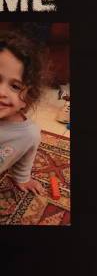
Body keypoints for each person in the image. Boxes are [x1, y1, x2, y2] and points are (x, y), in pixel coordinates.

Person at [0, 29, 46, 196]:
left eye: (15, 86)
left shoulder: (28, 134)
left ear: (27, 97)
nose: (1, 92)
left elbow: (27, 151)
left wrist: (22, 178)